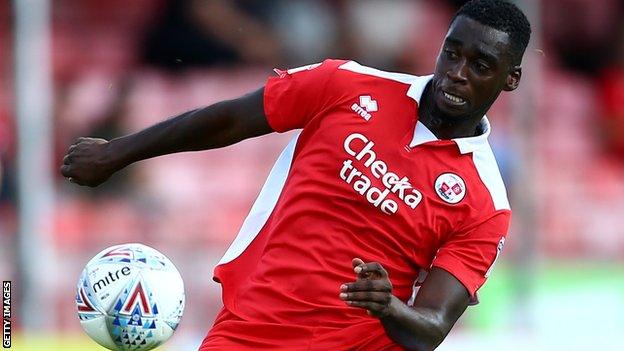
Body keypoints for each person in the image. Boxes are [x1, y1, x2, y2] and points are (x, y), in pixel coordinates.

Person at [61, 0, 531, 350]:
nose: (457, 73)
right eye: (452, 53)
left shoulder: (485, 206)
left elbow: (430, 329)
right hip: (247, 331)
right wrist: (117, 153)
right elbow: (229, 120)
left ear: (510, 79)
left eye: (481, 66)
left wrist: (389, 307)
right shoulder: (345, 84)